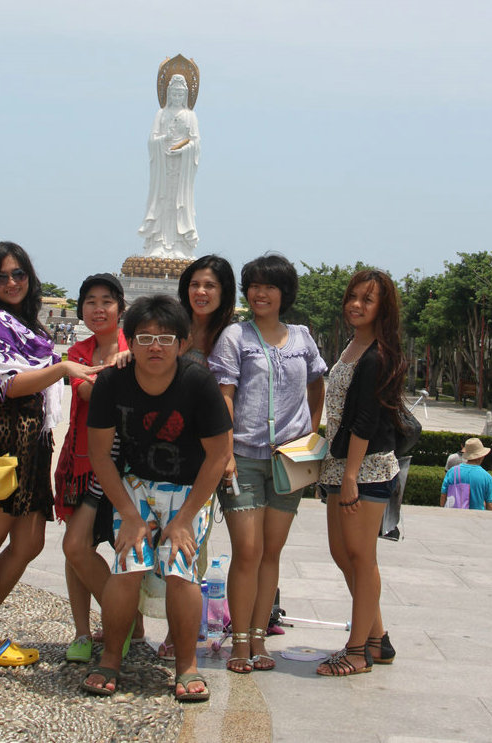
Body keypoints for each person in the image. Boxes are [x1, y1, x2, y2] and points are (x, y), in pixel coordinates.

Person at [0, 242, 101, 666]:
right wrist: (61, 369)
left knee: (30, 540)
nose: (12, 282)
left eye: (18, 274)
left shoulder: (26, 325)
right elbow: (5, 386)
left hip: (34, 440)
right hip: (4, 437)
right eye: (1, 276)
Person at [81, 295, 232, 702]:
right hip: (136, 483)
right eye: (145, 337)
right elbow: (100, 454)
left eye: (165, 338)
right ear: (130, 341)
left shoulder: (197, 382)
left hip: (188, 488)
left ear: (182, 343)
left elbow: (218, 454)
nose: (155, 346)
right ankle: (111, 658)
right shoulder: (112, 382)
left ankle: (187, 666)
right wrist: (129, 515)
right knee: (127, 564)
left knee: (181, 569)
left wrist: (184, 519)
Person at [207, 254, 326, 674]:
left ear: (284, 293)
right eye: (254, 285)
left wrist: (311, 436)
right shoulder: (235, 336)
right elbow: (224, 395)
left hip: (289, 462)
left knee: (271, 552)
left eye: (269, 286)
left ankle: (260, 637)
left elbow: (317, 385)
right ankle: (240, 641)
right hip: (243, 457)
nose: (260, 293)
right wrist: (225, 453)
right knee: (248, 551)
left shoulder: (302, 338)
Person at [317, 269, 407, 677]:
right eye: (352, 296)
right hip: (341, 464)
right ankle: (378, 640)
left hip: (365, 468)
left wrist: (351, 476)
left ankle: (357, 652)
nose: (355, 305)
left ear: (382, 308)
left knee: (362, 556)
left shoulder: (378, 355)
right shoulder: (354, 344)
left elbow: (366, 421)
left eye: (366, 300)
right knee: (342, 553)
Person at [150, 254, 237, 662]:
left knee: (190, 539)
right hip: (161, 443)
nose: (201, 292)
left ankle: (180, 631)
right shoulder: (172, 327)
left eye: (210, 286)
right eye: (195, 284)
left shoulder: (231, 336)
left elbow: (231, 397)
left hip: (205, 451)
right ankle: (131, 622)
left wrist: (228, 451)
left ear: (224, 292)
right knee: (148, 535)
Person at [55, 273, 136, 663]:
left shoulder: (135, 347)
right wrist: (113, 370)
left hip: (124, 463)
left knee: (122, 547)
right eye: (90, 301)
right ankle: (84, 631)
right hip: (82, 460)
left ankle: (125, 619)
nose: (98, 308)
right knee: (77, 549)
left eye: (107, 301)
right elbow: (86, 391)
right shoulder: (79, 350)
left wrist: (122, 363)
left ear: (121, 307)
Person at [139, 74, 200, 258]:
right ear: (168, 94)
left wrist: (184, 149)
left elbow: (196, 143)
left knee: (179, 203)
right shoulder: (161, 114)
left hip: (181, 166)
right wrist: (164, 139)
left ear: (186, 95)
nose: (177, 97)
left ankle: (179, 245)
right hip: (163, 166)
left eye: (180, 94)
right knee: (162, 200)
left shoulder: (190, 116)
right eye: (174, 93)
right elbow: (152, 140)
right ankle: (158, 243)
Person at [441, 437, 492, 510]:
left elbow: (443, 495)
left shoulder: (452, 472)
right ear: (481, 456)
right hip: (476, 516)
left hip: (454, 514)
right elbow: (491, 504)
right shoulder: (486, 477)